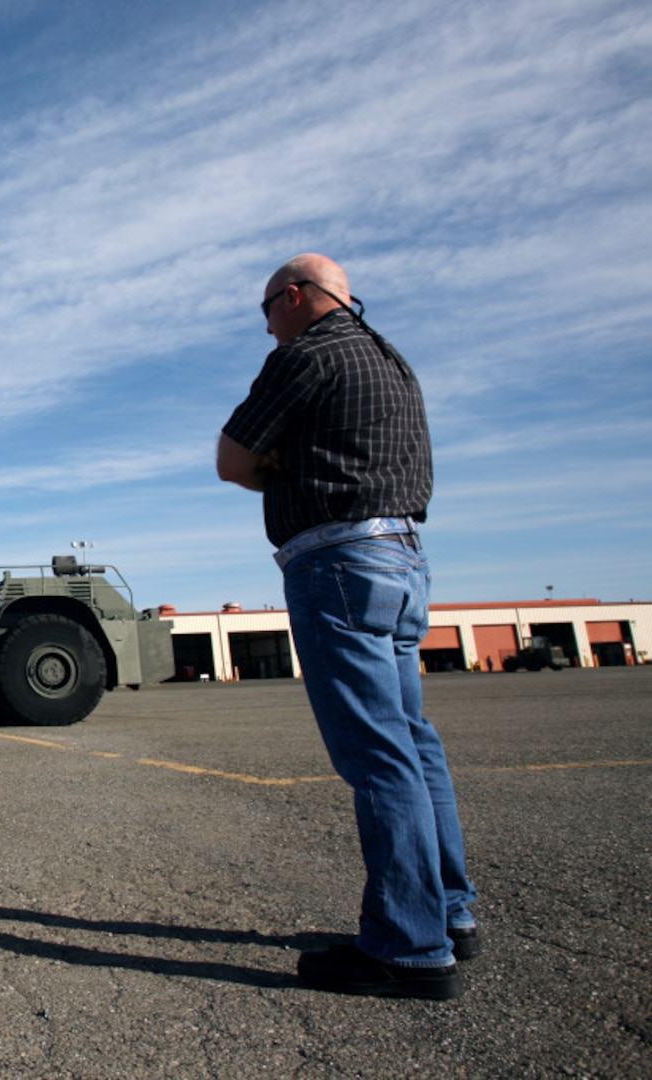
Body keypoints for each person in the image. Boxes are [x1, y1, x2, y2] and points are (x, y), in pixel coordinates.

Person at [218, 253, 478, 1000]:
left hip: (338, 564)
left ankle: (408, 945)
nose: (266, 324)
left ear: (295, 297)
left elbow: (233, 459)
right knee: (414, 742)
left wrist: (281, 466)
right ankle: (451, 912)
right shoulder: (392, 362)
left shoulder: (305, 354)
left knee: (376, 755)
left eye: (266, 309)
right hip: (402, 559)